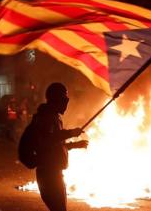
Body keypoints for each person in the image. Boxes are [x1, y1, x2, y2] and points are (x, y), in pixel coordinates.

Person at [34, 82, 88, 211]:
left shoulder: (53, 116)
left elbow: (55, 145)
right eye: (64, 99)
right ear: (56, 99)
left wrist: (75, 145)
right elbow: (48, 140)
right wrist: (70, 133)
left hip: (54, 173)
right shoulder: (45, 117)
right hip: (48, 174)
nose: (66, 103)